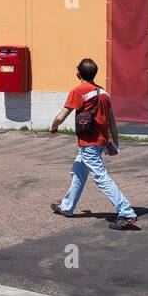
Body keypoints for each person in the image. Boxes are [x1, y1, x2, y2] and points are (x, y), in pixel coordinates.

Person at [49, 58, 139, 230]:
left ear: (78, 74)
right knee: (78, 172)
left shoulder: (79, 91)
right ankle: (66, 207)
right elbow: (112, 121)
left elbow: (61, 116)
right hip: (98, 141)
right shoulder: (103, 93)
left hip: (89, 143)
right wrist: (115, 142)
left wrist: (53, 127)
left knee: (101, 177)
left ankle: (127, 213)